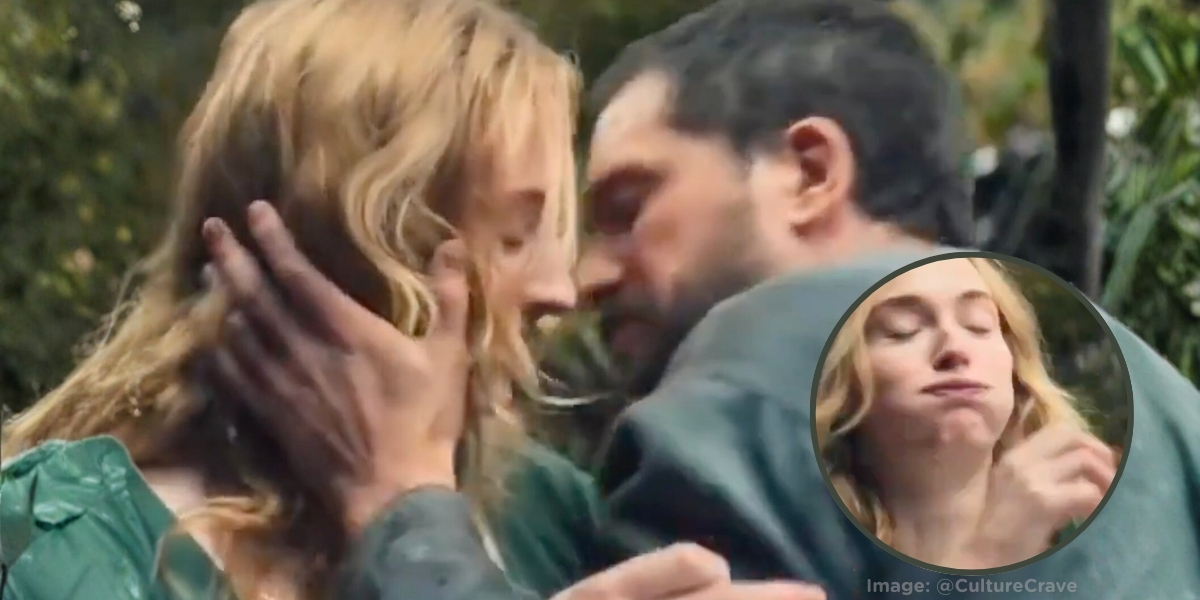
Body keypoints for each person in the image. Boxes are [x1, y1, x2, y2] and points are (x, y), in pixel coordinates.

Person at [180, 0, 1200, 599]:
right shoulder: (1170, 409)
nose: (582, 281)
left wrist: (405, 509)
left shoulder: (759, 362)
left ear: (808, 173)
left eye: (629, 207)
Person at [0, 0, 622, 597]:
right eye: (514, 237)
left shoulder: (544, 517)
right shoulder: (63, 546)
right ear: (351, 251)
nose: (558, 291)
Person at [816, 257, 1117, 569]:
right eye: (903, 329)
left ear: (1016, 372)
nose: (954, 349)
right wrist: (994, 550)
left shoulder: (1096, 555)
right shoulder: (804, 553)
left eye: (978, 325)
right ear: (843, 383)